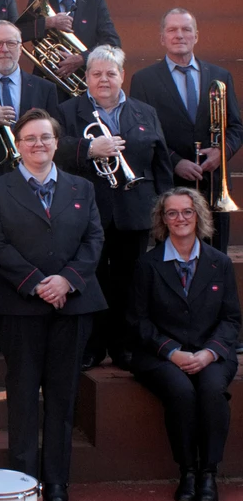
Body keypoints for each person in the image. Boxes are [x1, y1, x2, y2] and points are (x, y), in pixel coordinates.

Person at [0, 108, 106, 501]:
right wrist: (37, 282)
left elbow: (94, 239)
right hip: (19, 306)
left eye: (46, 137)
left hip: (73, 305)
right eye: (30, 138)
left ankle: (56, 480)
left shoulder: (82, 188)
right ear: (18, 146)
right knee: (21, 395)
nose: (39, 144)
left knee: (62, 395)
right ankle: (23, 478)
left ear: (57, 142)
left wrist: (66, 280)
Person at [56, 45, 173, 371]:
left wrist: (165, 208)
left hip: (135, 211)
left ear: (122, 76)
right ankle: (92, 346)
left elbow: (160, 163)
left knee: (129, 283)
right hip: (86, 212)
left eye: (111, 73)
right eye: (97, 74)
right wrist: (88, 147)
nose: (103, 79)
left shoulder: (144, 112)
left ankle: (124, 346)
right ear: (87, 77)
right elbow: (53, 148)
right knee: (90, 280)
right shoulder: (67, 110)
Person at [128, 188, 240, 501]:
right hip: (160, 355)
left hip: (211, 353)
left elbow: (231, 319)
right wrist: (171, 352)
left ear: (198, 216)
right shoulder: (147, 264)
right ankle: (187, 471)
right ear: (163, 220)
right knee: (181, 391)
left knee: (212, 390)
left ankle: (208, 472)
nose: (180, 218)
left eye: (187, 211)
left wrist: (209, 353)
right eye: (172, 213)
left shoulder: (220, 262)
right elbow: (137, 321)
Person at [0, 19, 60, 358]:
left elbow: (54, 135)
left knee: (31, 253)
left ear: (21, 48)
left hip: (33, 183)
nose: (4, 49)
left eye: (11, 44)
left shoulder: (44, 87)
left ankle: (31, 328)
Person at [129, 8, 243, 255]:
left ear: (196, 36)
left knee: (214, 259)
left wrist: (221, 152)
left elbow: (236, 127)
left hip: (213, 185)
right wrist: (175, 162)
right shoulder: (143, 80)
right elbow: (141, 133)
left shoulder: (221, 76)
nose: (179, 35)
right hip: (169, 183)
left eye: (186, 29)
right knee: (171, 259)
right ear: (162, 38)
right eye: (172, 29)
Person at [18, 0, 121, 99]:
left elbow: (113, 43)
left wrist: (82, 59)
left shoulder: (95, 3)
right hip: (46, 86)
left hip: (82, 87)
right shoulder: (37, 2)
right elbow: (18, 34)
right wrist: (48, 23)